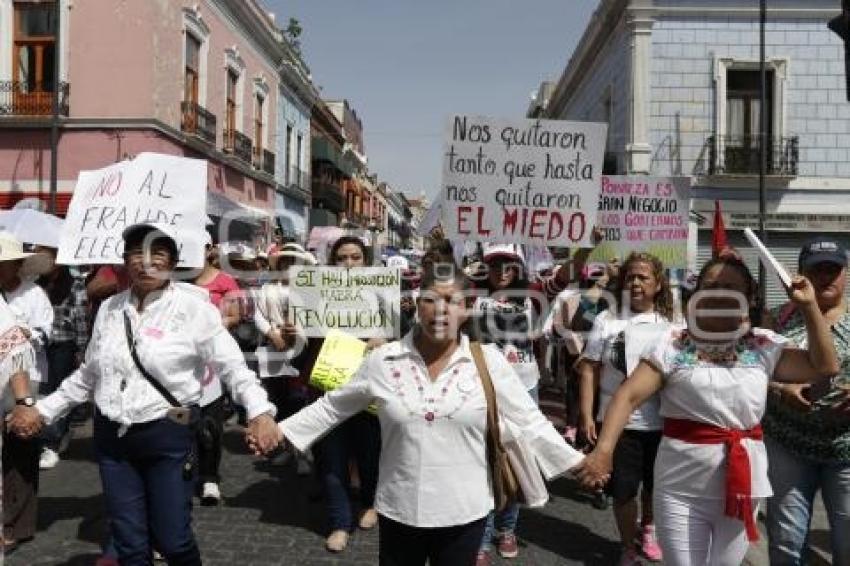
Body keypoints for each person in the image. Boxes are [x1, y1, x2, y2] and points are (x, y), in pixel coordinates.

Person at [258, 263, 585, 566]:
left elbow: (529, 420)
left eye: (451, 300)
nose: (441, 309)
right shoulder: (383, 360)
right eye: (431, 299)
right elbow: (334, 405)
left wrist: (578, 464)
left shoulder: (488, 362)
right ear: (417, 305)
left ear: (465, 309)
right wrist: (280, 431)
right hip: (400, 509)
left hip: (464, 512)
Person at [8, 223, 281, 566]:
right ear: (125, 262)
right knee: (131, 545)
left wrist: (260, 413)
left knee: (174, 540)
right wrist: (43, 411)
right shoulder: (110, 309)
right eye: (137, 253)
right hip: (113, 441)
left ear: (173, 262)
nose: (146, 262)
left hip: (167, 437)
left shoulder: (194, 309)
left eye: (158, 254)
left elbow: (234, 368)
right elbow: (89, 374)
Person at [576, 253, 840, 566]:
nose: (719, 293)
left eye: (730, 287)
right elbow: (628, 396)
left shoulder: (764, 345)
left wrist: (809, 307)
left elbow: (825, 366)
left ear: (747, 297)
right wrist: (603, 451)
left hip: (743, 484)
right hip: (680, 485)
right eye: (711, 285)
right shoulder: (671, 343)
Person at [472, 239, 594, 565]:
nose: (501, 271)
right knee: (482, 465)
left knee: (517, 461)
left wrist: (587, 247)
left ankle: (507, 529)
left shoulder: (534, 299)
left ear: (519, 267)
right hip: (481, 389)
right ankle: (481, 540)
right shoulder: (472, 297)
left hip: (523, 390)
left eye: (508, 264)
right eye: (495, 265)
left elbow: (565, 275)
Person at [577, 252, 674, 565]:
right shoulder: (607, 320)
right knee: (623, 490)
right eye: (630, 276)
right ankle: (627, 545)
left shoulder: (672, 325)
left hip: (662, 423)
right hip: (617, 424)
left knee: (655, 487)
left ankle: (649, 530)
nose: (635, 283)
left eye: (643, 277)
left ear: (658, 285)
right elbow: (589, 368)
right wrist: (587, 415)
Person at [762, 238, 850, 565]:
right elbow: (751, 369)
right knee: (785, 544)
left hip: (845, 450)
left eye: (833, 269)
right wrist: (779, 389)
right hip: (788, 447)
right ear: (799, 275)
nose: (826, 276)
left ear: (846, 274)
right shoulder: (776, 319)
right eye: (817, 269)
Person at [311, 235, 384, 552]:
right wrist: (293, 332)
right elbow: (302, 340)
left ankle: (370, 503)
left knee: (370, 456)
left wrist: (384, 339)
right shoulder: (314, 293)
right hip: (330, 386)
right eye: (342, 257)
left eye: (355, 257)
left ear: (365, 261)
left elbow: (403, 336)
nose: (349, 263)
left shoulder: (383, 295)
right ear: (332, 261)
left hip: (369, 389)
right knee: (332, 458)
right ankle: (340, 522)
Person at [0, 232, 53, 548]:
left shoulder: (34, 295)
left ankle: (16, 523)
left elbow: (47, 334)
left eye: (4, 264)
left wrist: (25, 334)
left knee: (20, 449)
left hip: (25, 378)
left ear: (18, 265)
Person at [192, 233, 241, 505]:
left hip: (213, 358)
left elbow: (234, 316)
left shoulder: (225, 281)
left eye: (200, 247)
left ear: (209, 249)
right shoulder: (177, 281)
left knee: (211, 420)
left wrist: (208, 327)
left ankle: (210, 477)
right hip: (184, 360)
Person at [35, 246, 88, 470]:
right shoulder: (37, 285)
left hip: (64, 344)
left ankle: (51, 443)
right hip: (40, 344)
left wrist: (82, 348)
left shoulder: (74, 284)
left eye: (47, 258)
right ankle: (52, 436)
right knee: (42, 390)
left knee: (60, 389)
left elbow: (80, 317)